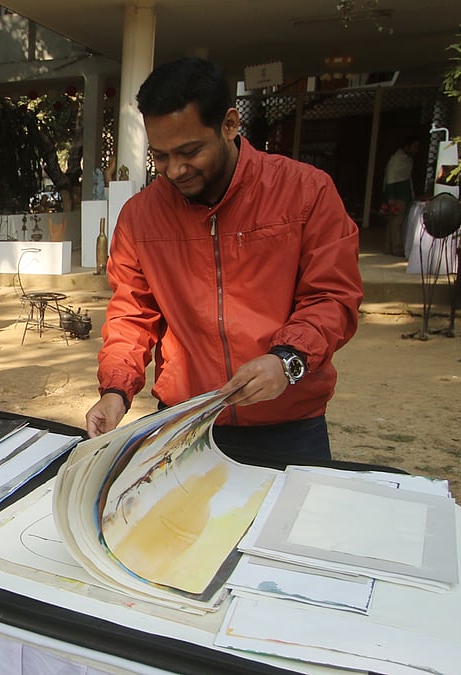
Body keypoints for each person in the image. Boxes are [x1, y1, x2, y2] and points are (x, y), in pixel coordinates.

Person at [84, 56, 364, 467]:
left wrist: (286, 360)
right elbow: (132, 314)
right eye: (160, 157)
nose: (175, 170)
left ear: (230, 125)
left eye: (190, 151)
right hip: (183, 423)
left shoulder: (306, 193)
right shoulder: (140, 217)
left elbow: (332, 297)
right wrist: (115, 391)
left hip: (288, 423)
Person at [383, 135, 420, 256]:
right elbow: (391, 178)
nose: (416, 150)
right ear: (406, 147)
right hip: (397, 195)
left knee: (395, 222)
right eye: (414, 147)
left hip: (403, 195)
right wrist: (391, 198)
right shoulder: (397, 160)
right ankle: (397, 248)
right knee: (396, 222)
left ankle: (390, 248)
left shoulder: (407, 160)